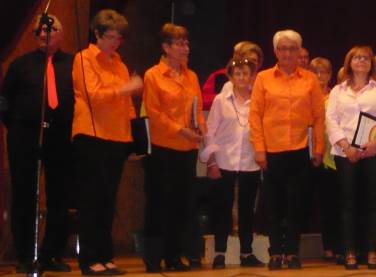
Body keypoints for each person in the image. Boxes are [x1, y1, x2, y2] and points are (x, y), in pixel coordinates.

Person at [1, 13, 75, 274]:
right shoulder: (20, 64)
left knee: (59, 196)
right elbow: (4, 101)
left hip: (61, 137)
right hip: (25, 135)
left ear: (61, 34)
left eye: (51, 30)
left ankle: (51, 254)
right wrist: (18, 126)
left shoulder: (74, 64)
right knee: (24, 195)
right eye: (40, 31)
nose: (45, 34)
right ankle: (24, 254)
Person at [72, 9, 141, 275]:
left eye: (118, 38)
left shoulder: (120, 64)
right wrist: (126, 88)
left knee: (108, 200)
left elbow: (127, 107)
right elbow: (94, 95)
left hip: (116, 138)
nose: (115, 42)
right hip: (91, 134)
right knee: (91, 199)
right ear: (97, 34)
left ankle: (105, 255)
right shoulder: (83, 59)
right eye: (110, 37)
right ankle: (89, 258)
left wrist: (132, 140)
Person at [249, 29, 325, 270]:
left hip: (302, 149)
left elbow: (319, 117)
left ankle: (292, 252)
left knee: (296, 205)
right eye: (283, 48)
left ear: (300, 51)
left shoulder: (310, 79)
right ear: (275, 52)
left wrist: (319, 148)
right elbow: (255, 116)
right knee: (274, 205)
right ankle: (275, 252)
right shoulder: (263, 78)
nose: (288, 53)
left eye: (293, 49)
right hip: (272, 150)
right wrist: (259, 149)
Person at [141, 23, 206, 272]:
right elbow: (155, 113)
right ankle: (153, 258)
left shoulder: (192, 76)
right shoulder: (153, 75)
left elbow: (197, 109)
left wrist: (201, 129)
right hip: (162, 148)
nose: (185, 48)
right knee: (159, 203)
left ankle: (174, 255)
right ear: (166, 47)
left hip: (187, 149)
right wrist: (181, 130)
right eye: (179, 44)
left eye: (186, 43)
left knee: (182, 204)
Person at [326, 45, 376, 270]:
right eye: (356, 58)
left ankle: (373, 251)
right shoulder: (338, 90)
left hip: (373, 151)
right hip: (345, 154)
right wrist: (346, 147)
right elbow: (331, 120)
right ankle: (350, 252)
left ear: (371, 63)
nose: (361, 61)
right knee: (348, 204)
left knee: (373, 202)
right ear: (349, 63)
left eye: (365, 58)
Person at [201, 58, 265, 269]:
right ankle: (220, 253)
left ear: (252, 76)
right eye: (237, 74)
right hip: (224, 160)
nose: (241, 78)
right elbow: (210, 132)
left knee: (247, 209)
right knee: (223, 208)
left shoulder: (258, 100)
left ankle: (246, 253)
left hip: (249, 161)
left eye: (246, 73)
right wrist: (211, 162)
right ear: (230, 76)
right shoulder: (221, 100)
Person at [310, 57, 342, 262]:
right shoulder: (305, 96)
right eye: (316, 72)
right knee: (313, 204)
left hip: (331, 157)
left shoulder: (336, 96)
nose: (320, 76)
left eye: (324, 72)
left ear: (330, 75)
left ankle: (333, 245)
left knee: (332, 203)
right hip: (307, 155)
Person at [200, 41, 263, 110]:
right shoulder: (221, 79)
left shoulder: (263, 81)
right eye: (247, 60)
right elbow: (203, 101)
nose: (251, 64)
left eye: (254, 60)